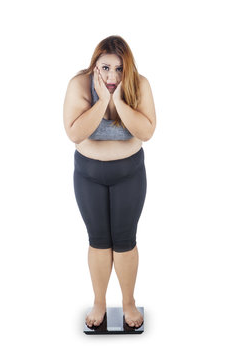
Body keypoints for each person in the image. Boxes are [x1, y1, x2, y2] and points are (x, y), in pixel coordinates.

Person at [63, 35, 156, 329]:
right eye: (105, 68)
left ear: (127, 68)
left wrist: (118, 100)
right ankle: (99, 302)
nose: (112, 76)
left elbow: (146, 131)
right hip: (88, 175)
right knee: (99, 241)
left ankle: (128, 302)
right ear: (95, 66)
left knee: (125, 242)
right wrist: (102, 101)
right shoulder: (79, 85)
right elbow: (75, 133)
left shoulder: (138, 84)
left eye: (119, 68)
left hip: (129, 174)